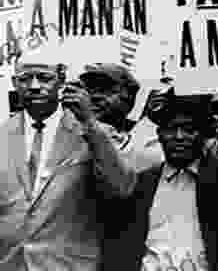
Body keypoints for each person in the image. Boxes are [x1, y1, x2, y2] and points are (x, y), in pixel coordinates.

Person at [101, 92, 218, 271]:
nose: (179, 137)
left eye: (188, 129)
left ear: (202, 134)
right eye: (171, 129)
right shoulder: (142, 184)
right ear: (159, 134)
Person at [0, 48, 136, 270]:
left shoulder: (94, 132)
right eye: (25, 79)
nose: (34, 86)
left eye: (44, 78)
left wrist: (90, 124)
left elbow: (122, 187)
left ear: (61, 80)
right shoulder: (2, 135)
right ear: (14, 83)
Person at [79, 63, 164, 171]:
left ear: (128, 98)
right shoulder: (72, 135)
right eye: (90, 90)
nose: (95, 96)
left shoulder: (149, 143)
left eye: (106, 90)